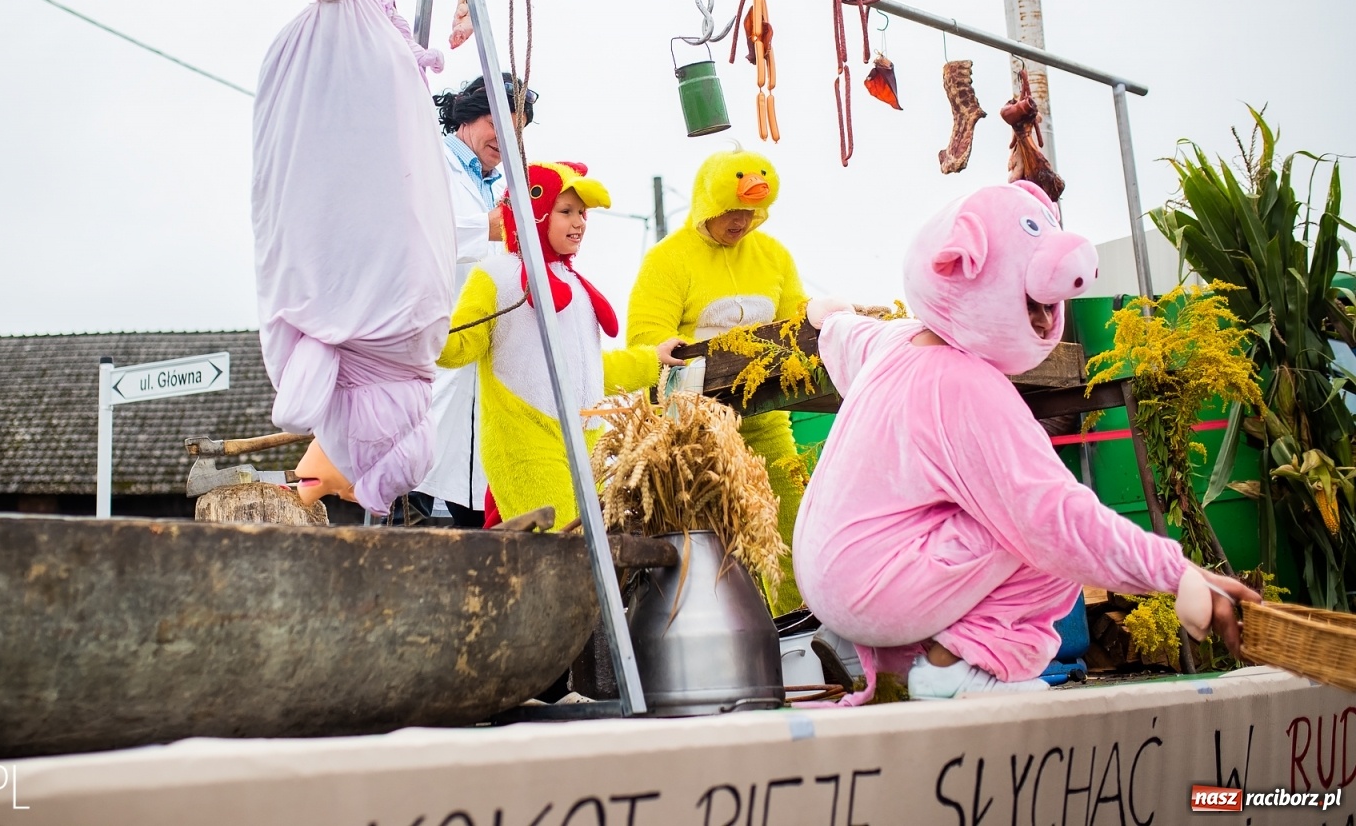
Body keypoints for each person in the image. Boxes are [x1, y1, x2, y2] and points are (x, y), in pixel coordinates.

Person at [793, 181, 1259, 702]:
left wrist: (827, 315)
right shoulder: (966, 387)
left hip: (832, 574)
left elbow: (847, 336)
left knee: (1018, 515)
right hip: (879, 589)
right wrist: (1176, 572)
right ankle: (956, 668)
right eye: (1031, 304)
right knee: (1048, 538)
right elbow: (1055, 517)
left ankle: (920, 664)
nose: (1042, 324)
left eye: (1048, 308)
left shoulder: (898, 343)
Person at [252, 0, 454, 516]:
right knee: (323, 181)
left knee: (373, 170)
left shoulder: (427, 344)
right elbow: (293, 406)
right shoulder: (342, 364)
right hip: (348, 221)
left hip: (401, 232)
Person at [437, 161, 685, 527]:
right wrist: (421, 329)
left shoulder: (575, 286)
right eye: (566, 211)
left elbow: (593, 369)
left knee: (583, 561)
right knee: (556, 554)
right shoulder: (496, 276)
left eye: (582, 213)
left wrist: (654, 361)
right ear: (534, 213)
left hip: (586, 447)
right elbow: (459, 346)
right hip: (525, 442)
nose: (579, 222)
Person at [626, 148, 807, 613]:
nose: (741, 221)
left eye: (750, 211)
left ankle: (798, 625)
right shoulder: (668, 260)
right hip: (696, 430)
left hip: (767, 420)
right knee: (715, 541)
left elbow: (797, 325)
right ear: (708, 204)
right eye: (731, 210)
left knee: (791, 523)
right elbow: (647, 337)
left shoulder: (775, 257)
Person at [410, 75, 534, 527]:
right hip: (432, 328)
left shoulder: (500, 182)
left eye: (515, 131)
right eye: (496, 124)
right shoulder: (430, 159)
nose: (504, 139)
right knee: (419, 461)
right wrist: (490, 227)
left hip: (479, 335)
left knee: (470, 467)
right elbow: (418, 226)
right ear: (467, 115)